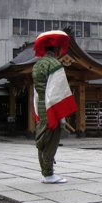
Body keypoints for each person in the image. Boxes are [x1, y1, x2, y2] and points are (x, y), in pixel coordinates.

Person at [32, 30, 77, 184]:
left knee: (42, 141)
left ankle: (45, 172)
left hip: (41, 104)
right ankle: (49, 174)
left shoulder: (37, 65)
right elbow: (58, 90)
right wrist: (61, 115)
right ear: (57, 50)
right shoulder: (55, 64)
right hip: (52, 106)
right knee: (51, 142)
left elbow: (37, 91)